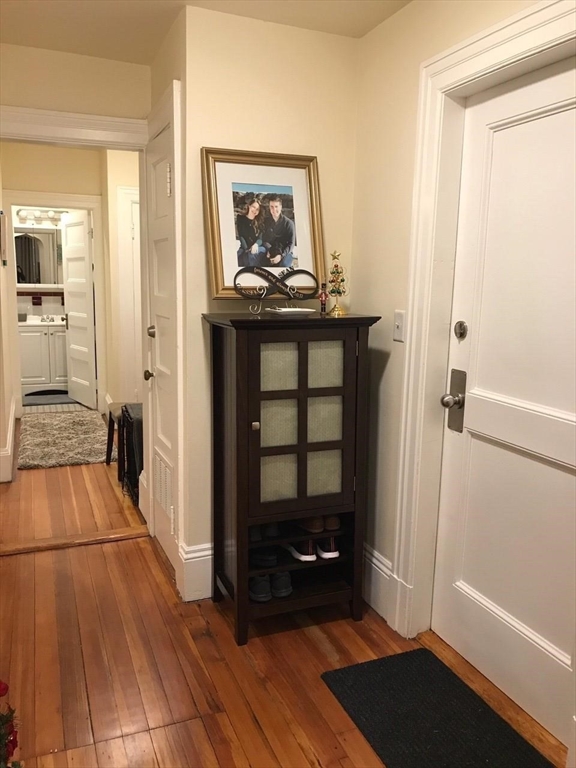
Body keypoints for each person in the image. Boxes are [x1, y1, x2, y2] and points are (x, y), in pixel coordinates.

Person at [261, 195, 296, 268]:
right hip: (270, 250)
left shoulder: (289, 223)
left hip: (285, 252)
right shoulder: (266, 222)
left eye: (276, 206)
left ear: (281, 207)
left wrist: (281, 255)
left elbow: (291, 243)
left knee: (283, 265)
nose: (274, 210)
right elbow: (264, 239)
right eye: (271, 207)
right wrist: (269, 250)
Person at [235, 194, 266, 267]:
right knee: (238, 257)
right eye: (253, 207)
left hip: (258, 247)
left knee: (251, 255)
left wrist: (255, 245)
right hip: (244, 247)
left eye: (257, 209)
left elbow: (260, 239)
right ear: (249, 206)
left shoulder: (260, 222)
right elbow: (241, 236)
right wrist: (246, 249)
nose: (255, 210)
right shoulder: (240, 219)